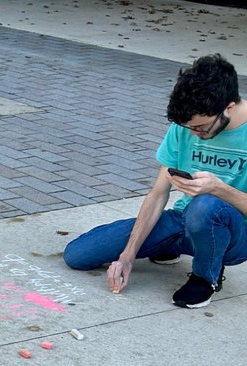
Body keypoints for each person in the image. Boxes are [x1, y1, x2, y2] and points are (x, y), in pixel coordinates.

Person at [63, 54, 247, 309]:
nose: (194, 133)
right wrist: (127, 257)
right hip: (184, 221)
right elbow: (159, 192)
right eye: (189, 127)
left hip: (236, 233)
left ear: (228, 108)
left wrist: (219, 189)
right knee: (78, 255)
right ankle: (173, 245)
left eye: (201, 127)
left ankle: (206, 277)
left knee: (206, 205)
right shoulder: (187, 125)